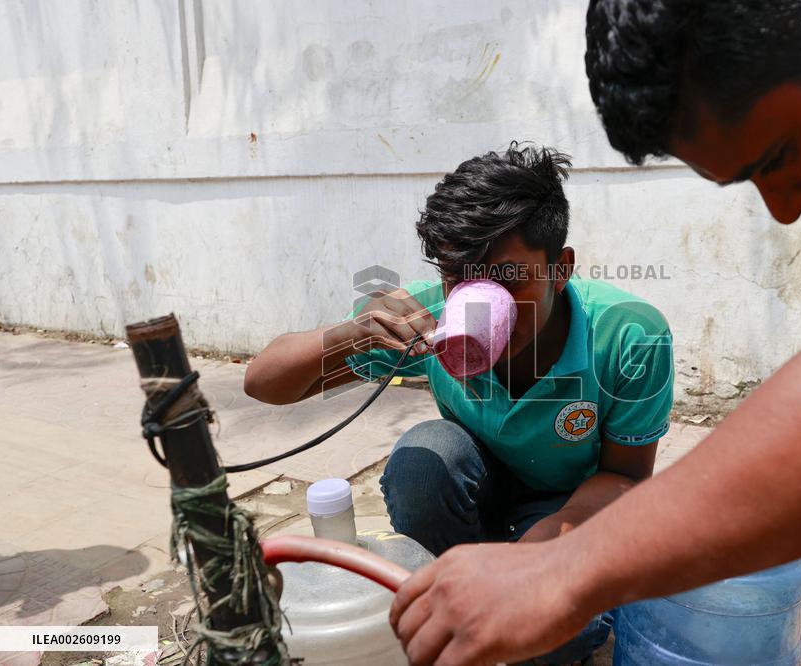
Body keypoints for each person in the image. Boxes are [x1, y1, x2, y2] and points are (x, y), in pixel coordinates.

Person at [389, 2, 801, 664]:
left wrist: (565, 570)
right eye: (750, 178)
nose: (788, 209)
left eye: (780, 152)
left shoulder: (625, 335)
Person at [244, 143, 674, 664]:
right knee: (426, 454)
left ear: (561, 269)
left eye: (506, 279)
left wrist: (534, 559)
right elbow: (263, 383)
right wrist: (351, 335)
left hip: (571, 509)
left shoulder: (627, 336)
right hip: (480, 493)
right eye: (458, 276)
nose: (475, 299)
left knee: (553, 639)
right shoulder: (425, 321)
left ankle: (490, 612)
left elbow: (626, 479)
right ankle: (453, 602)